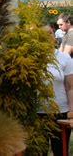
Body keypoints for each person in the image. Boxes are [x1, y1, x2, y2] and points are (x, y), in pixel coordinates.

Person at [38, 25, 73, 156]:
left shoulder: (64, 58)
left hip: (60, 112)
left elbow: (70, 87)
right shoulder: (32, 58)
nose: (46, 38)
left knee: (60, 151)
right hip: (37, 113)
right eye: (42, 35)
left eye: (49, 34)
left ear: (54, 38)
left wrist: (72, 110)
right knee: (39, 151)